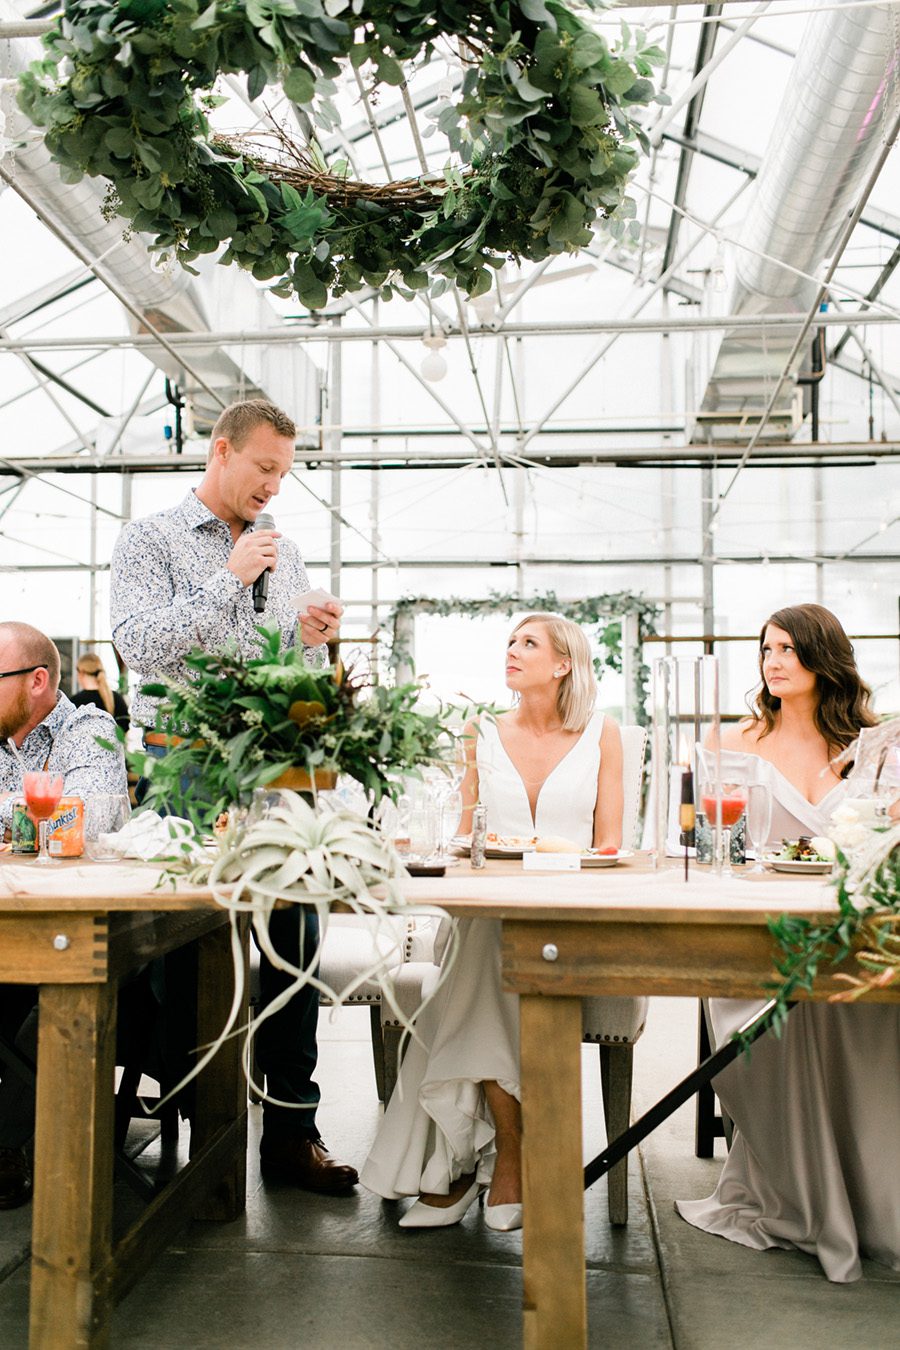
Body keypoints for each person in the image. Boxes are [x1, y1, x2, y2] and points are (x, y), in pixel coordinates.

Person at [109, 397, 357, 1196]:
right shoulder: (147, 540)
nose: (275, 489)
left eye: (285, 474)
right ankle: (181, 1119)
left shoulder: (286, 552)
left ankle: (292, 1133)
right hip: (182, 765)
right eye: (264, 469)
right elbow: (137, 645)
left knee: (294, 945)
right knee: (177, 946)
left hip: (274, 773)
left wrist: (312, 643)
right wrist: (226, 580)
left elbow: (292, 678)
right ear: (221, 451)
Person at [362, 613, 624, 1230]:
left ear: (563, 663)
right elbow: (462, 835)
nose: (512, 651)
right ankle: (510, 1154)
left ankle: (457, 1166)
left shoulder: (602, 734)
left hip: (571, 917)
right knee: (484, 938)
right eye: (509, 642)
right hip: (483, 914)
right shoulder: (478, 729)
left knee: (484, 953)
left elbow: (611, 845)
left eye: (528, 643)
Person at [676, 603, 900, 1282]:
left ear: (821, 657)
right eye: (767, 649)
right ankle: (803, 1194)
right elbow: (695, 842)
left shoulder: (878, 744)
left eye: (789, 649)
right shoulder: (732, 742)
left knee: (869, 1002)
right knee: (779, 1014)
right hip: (757, 935)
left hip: (849, 929)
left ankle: (871, 1194)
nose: (773, 661)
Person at [0, 622, 127, 1209]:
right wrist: (26, 814)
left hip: (81, 925)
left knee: (35, 999)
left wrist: (21, 815)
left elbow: (85, 820)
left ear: (37, 681)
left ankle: (11, 1146)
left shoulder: (88, 727)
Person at [71, 651, 130, 734]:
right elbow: (125, 726)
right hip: (111, 746)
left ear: (81, 673)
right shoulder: (116, 698)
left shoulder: (74, 702)